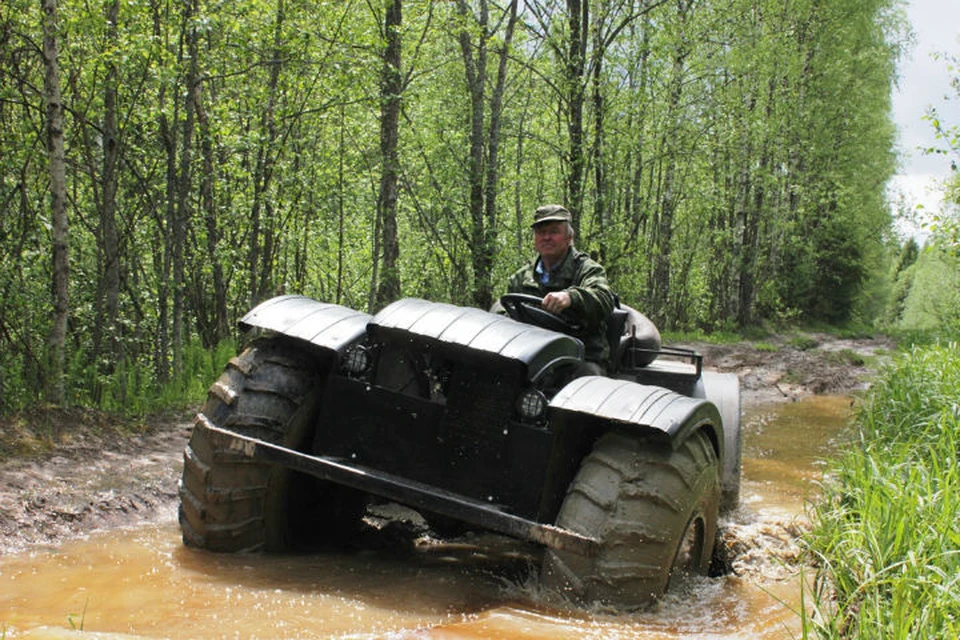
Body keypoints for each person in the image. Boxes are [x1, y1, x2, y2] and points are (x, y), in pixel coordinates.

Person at [506, 204, 616, 374]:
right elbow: (505, 311)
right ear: (535, 239)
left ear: (569, 237)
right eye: (541, 233)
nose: (547, 237)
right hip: (531, 354)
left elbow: (603, 298)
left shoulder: (587, 269)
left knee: (584, 382)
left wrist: (571, 298)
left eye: (554, 231)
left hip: (580, 356)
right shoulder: (521, 277)